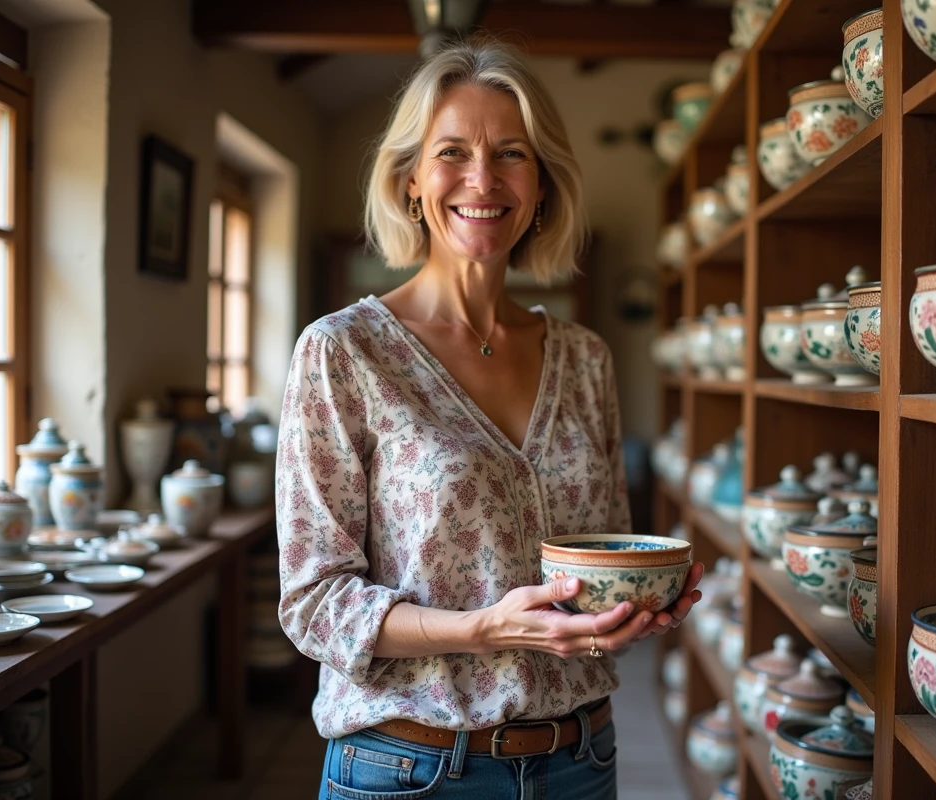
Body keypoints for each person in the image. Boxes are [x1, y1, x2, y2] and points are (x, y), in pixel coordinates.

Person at [276, 36, 703, 800]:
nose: (483, 179)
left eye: (511, 154)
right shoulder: (343, 352)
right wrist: (484, 628)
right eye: (451, 153)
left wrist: (630, 610)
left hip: (582, 760)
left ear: (541, 187)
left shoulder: (586, 358)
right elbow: (314, 605)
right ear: (410, 180)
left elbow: (596, 559)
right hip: (407, 769)